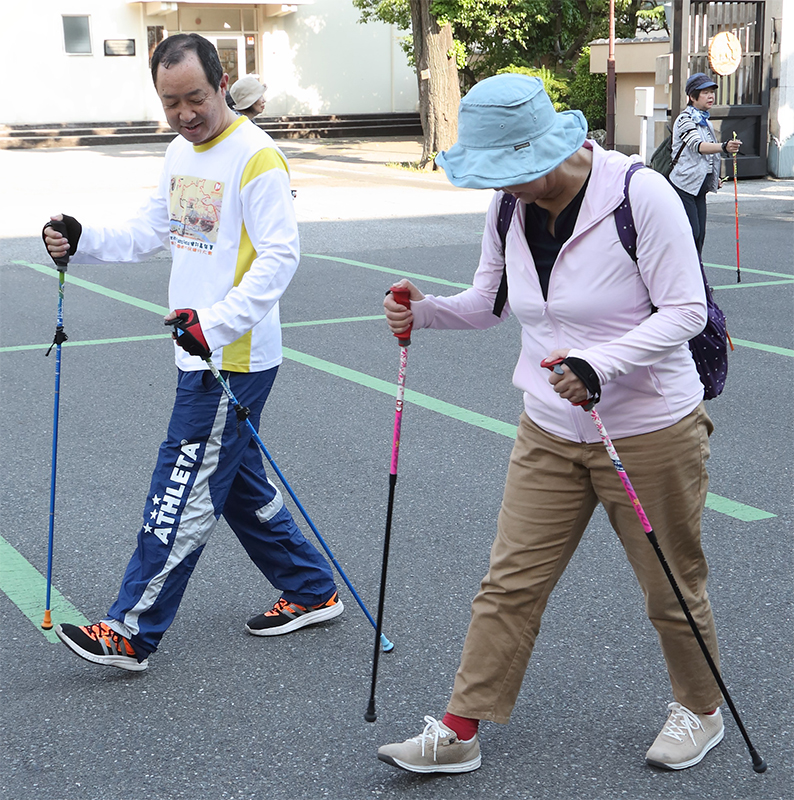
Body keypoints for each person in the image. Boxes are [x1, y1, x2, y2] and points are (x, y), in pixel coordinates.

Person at [377, 74, 725, 774]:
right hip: (550, 425)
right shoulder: (509, 208)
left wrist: (601, 364)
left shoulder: (638, 194)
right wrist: (426, 308)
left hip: (649, 426)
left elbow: (685, 311)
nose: (503, 188)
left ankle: (701, 711)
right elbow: (488, 301)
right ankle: (460, 729)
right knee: (509, 582)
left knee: (669, 585)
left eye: (511, 173)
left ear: (547, 150)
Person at [42, 34, 343, 673]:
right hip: (196, 350)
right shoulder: (181, 152)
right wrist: (81, 237)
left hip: (231, 355)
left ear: (221, 82)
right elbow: (154, 230)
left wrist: (218, 323)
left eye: (196, 99)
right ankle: (312, 589)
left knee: (179, 489)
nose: (184, 114)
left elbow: (279, 258)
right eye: (170, 102)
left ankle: (130, 629)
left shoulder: (256, 158)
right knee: (230, 483)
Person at [669, 72, 741, 254]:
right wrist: (724, 146)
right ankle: (684, 277)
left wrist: (713, 177)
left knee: (700, 236)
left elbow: (709, 158)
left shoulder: (704, 121)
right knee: (691, 234)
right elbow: (698, 146)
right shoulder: (685, 119)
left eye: (712, 92)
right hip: (683, 185)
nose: (711, 96)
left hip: (699, 186)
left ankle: (698, 278)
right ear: (692, 97)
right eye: (705, 92)